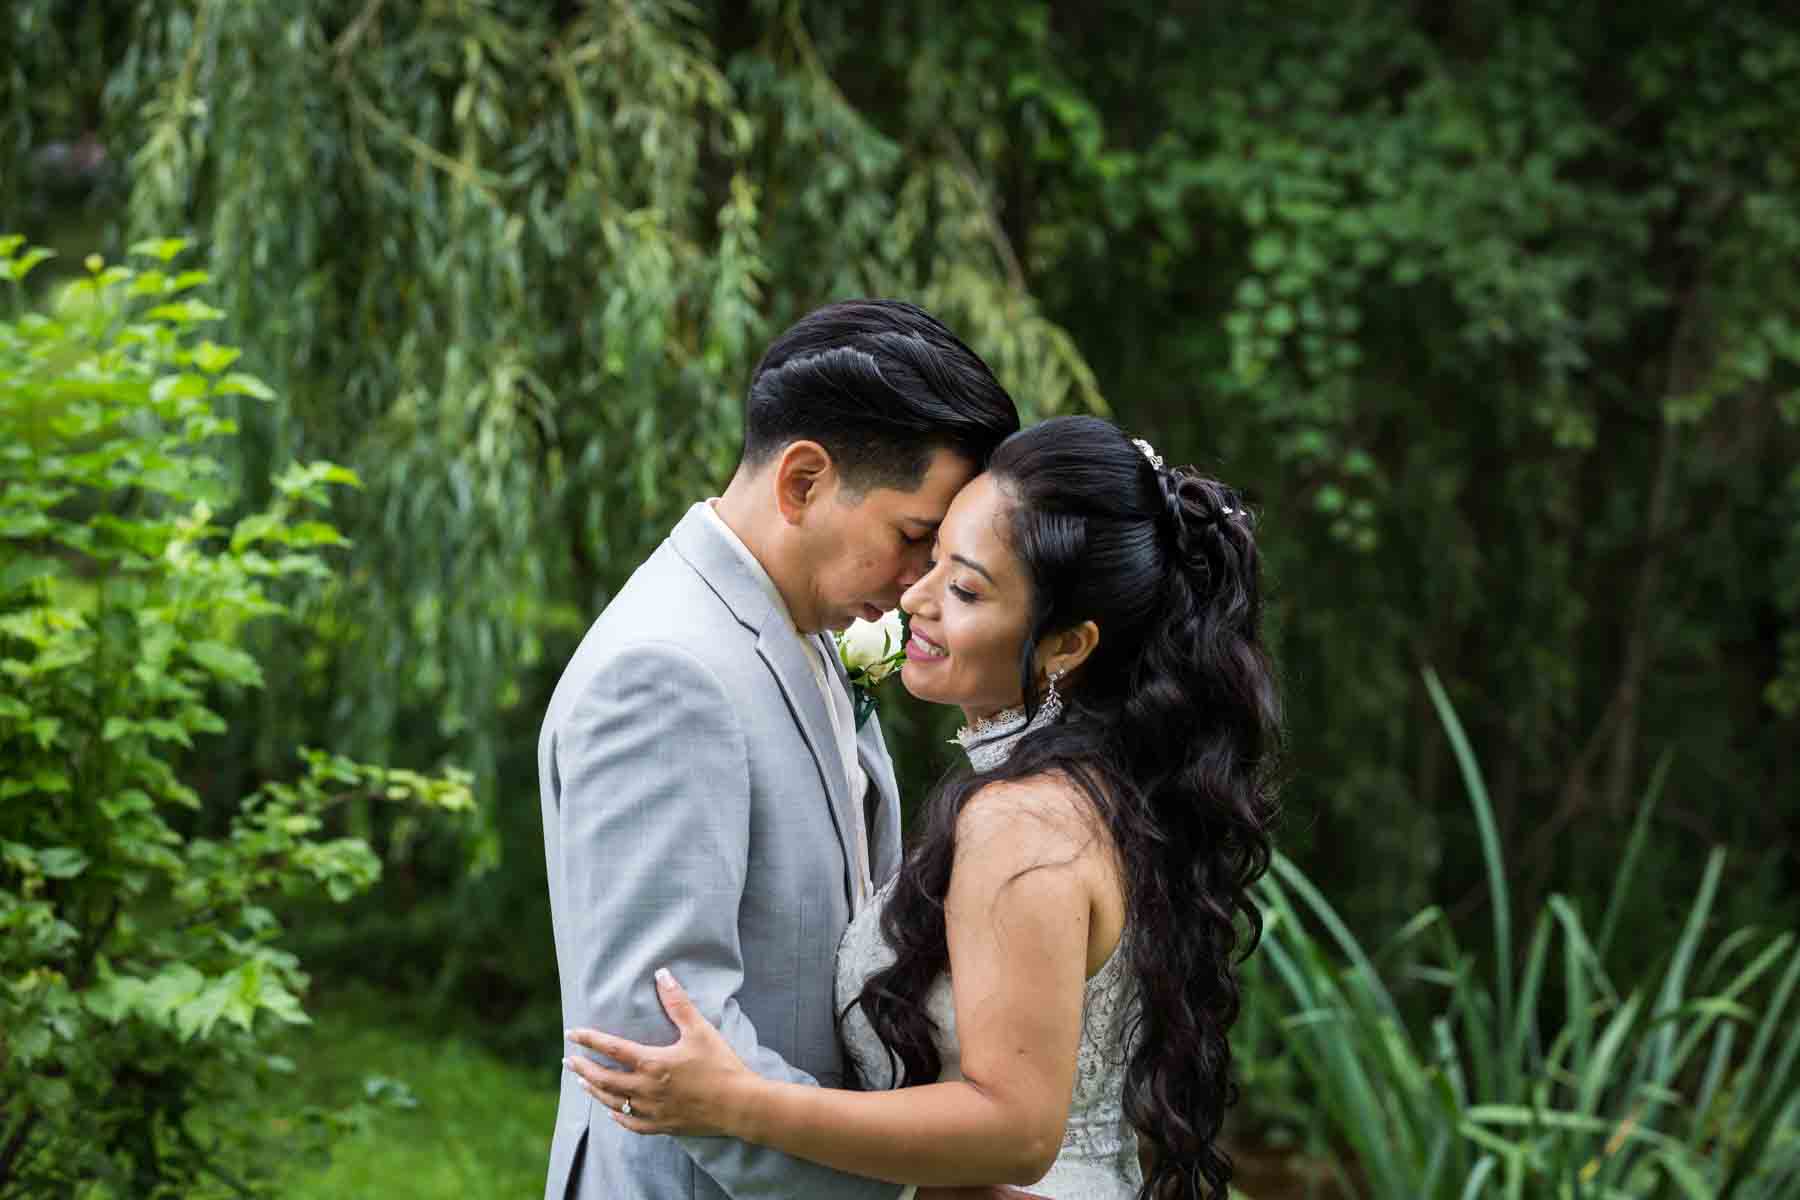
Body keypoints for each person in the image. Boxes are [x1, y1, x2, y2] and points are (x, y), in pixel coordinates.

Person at [566, 415, 1284, 1199]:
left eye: (966, 587)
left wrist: (743, 1104)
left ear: (1066, 646)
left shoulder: (1026, 823)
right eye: (932, 558)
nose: (914, 596)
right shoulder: (1104, 789)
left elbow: (1014, 1129)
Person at [538, 299, 1028, 1200]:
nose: (920, 584)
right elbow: (659, 1039)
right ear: (803, 481)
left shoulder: (790, 625)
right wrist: (909, 1185)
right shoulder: (667, 671)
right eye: (914, 538)